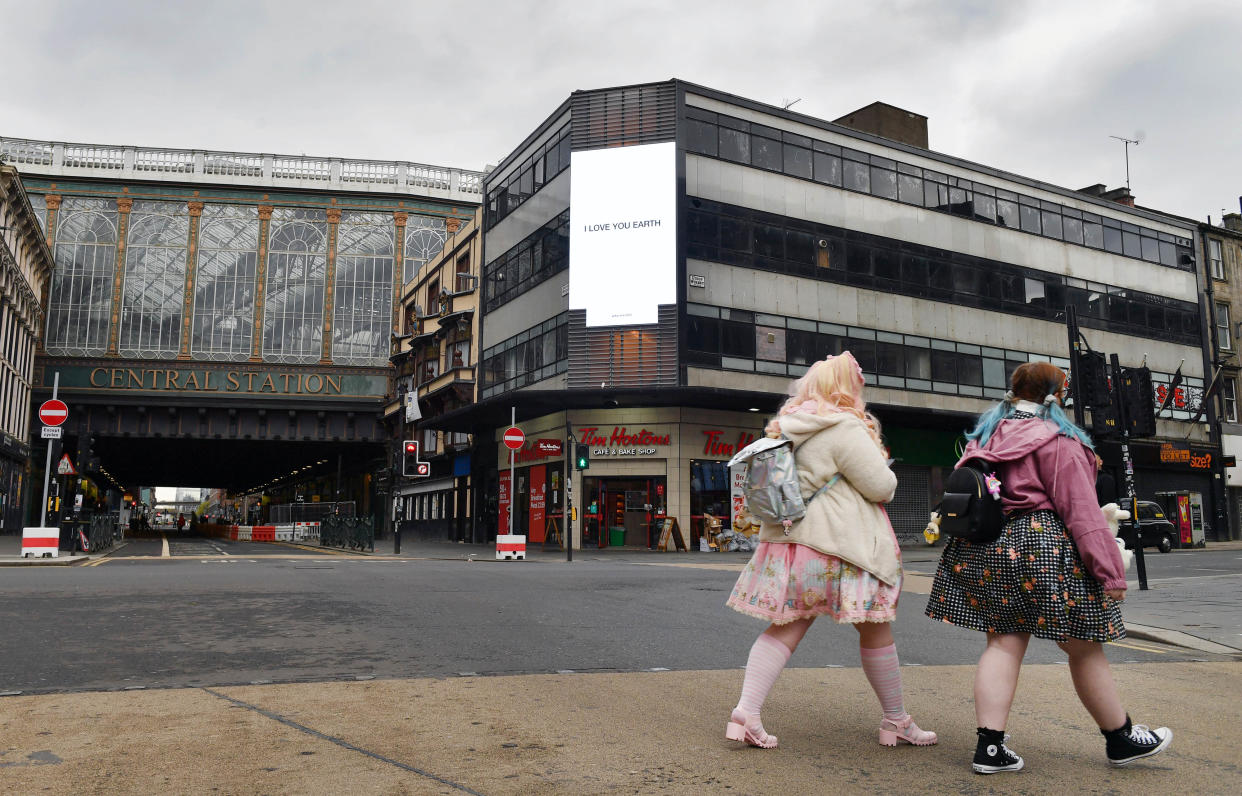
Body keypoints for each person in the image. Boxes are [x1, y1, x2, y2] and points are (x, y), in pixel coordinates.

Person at [925, 362, 1171, 774]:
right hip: (1041, 547)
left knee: (1003, 643)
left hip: (986, 547)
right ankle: (1120, 738)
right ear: (1059, 395)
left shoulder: (986, 436)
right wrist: (1111, 572)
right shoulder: (1058, 441)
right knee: (1083, 643)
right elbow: (1082, 514)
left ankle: (990, 748)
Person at [724, 352, 936, 749]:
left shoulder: (785, 428)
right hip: (841, 548)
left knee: (786, 626)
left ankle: (746, 711)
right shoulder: (843, 427)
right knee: (876, 629)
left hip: (791, 545)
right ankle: (896, 720)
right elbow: (882, 487)